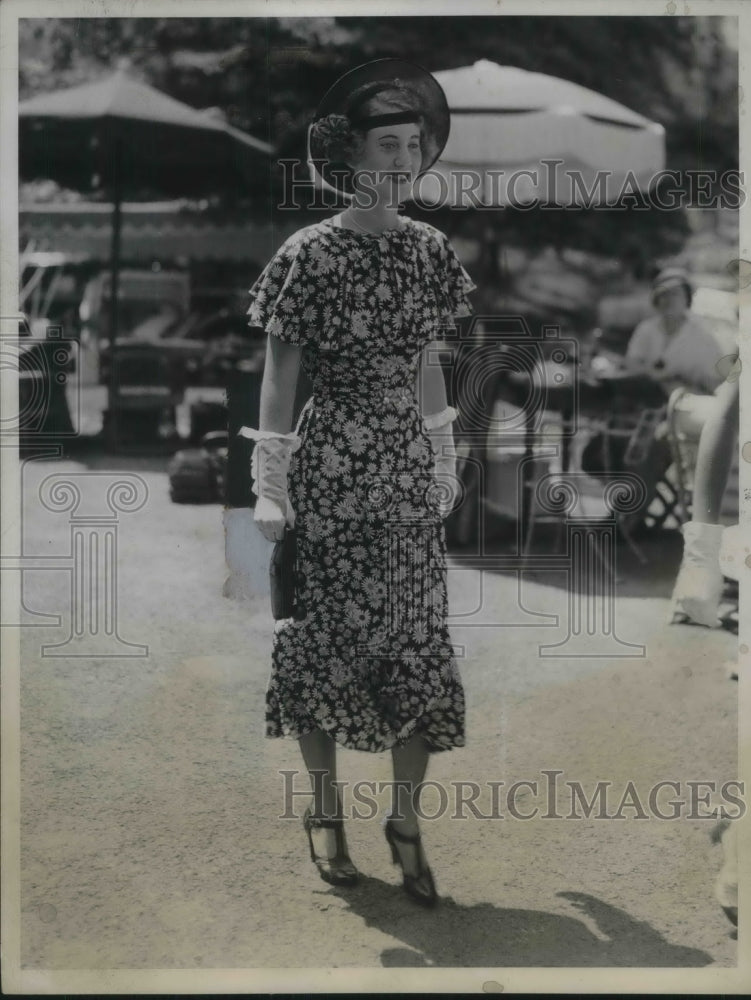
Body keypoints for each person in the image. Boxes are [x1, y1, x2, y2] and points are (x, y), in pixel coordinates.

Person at [238, 59, 476, 907]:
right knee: (325, 641)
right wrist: (270, 484)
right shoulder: (310, 252)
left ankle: (405, 821)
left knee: (417, 644)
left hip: (406, 472)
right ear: (350, 153)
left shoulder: (429, 251)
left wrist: (443, 457)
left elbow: (425, 369)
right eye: (388, 144)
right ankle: (326, 811)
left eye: (415, 145)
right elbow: (278, 379)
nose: (403, 160)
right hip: (331, 465)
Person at [624, 267, 724, 394]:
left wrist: (682, 377)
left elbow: (715, 381)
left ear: (686, 299)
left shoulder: (703, 335)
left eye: (675, 294)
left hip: (688, 403)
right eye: (663, 294)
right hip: (648, 399)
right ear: (656, 300)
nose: (669, 300)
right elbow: (632, 363)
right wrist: (652, 374)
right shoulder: (645, 329)